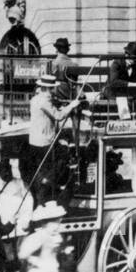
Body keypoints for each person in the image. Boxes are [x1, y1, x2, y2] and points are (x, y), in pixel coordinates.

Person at [28, 75, 80, 205]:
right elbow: (59, 116)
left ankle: (48, 181)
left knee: (44, 166)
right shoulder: (44, 101)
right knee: (65, 155)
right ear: (47, 89)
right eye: (52, 89)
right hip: (45, 141)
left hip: (35, 141)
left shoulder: (35, 99)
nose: (54, 91)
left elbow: (50, 112)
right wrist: (72, 105)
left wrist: (62, 107)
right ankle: (51, 182)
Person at [0, 156, 35, 272]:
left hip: (18, 227)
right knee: (8, 256)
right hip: (4, 227)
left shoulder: (20, 183)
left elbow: (29, 200)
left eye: (5, 171)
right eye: (0, 172)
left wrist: (26, 219)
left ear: (9, 170)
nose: (3, 174)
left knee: (21, 254)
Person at [49, 37, 79, 104]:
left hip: (58, 93)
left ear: (57, 49)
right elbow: (74, 81)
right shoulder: (74, 65)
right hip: (71, 93)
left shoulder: (54, 64)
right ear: (67, 50)